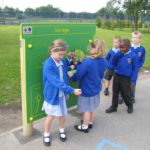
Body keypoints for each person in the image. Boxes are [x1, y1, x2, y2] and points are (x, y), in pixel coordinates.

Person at [42, 39, 82, 146]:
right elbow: (57, 82)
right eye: (59, 54)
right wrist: (72, 90)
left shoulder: (63, 61)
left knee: (63, 114)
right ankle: (46, 133)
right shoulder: (48, 65)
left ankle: (61, 130)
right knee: (50, 116)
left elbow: (64, 72)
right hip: (52, 95)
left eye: (63, 54)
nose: (61, 56)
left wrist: (73, 67)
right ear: (52, 51)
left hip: (62, 94)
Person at [68, 39, 106, 133]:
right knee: (92, 108)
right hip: (96, 88)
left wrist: (72, 76)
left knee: (86, 110)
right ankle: (90, 122)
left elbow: (79, 74)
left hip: (86, 90)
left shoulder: (88, 61)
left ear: (92, 48)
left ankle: (85, 126)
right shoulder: (104, 61)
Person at [105, 39, 138, 114]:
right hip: (117, 75)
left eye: (122, 47)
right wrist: (117, 55)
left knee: (125, 93)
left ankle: (130, 105)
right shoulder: (118, 53)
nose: (120, 49)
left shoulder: (133, 56)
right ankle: (114, 107)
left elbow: (135, 69)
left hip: (126, 78)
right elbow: (112, 62)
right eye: (120, 47)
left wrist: (133, 80)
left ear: (128, 47)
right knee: (115, 91)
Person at [130, 31, 146, 102]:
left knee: (133, 82)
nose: (135, 39)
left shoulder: (142, 49)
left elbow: (142, 59)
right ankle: (122, 96)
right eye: (133, 37)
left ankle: (132, 96)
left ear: (140, 39)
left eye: (137, 38)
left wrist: (138, 66)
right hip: (127, 68)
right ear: (131, 38)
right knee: (124, 82)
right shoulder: (128, 47)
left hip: (135, 69)